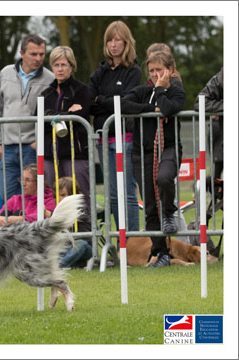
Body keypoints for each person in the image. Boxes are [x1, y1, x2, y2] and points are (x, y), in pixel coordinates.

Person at [121, 51, 186, 267]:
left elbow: (168, 108)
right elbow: (124, 105)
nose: (155, 74)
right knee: (149, 204)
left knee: (165, 178)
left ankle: (169, 212)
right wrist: (151, 109)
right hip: (142, 152)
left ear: (169, 70)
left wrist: (160, 90)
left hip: (168, 149)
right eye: (152, 71)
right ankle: (161, 253)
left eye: (159, 70)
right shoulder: (141, 91)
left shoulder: (175, 90)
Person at [88, 20, 141, 232]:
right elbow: (90, 103)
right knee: (111, 193)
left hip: (125, 138)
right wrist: (107, 102)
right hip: (103, 138)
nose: (113, 44)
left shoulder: (133, 71)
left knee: (126, 191)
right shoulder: (99, 72)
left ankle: (134, 242)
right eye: (109, 40)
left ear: (126, 42)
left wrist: (101, 100)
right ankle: (121, 243)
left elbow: (127, 102)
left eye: (117, 39)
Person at [0, 34, 54, 202]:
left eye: (42, 54)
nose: (38, 58)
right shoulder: (5, 73)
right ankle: (12, 229)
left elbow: (52, 115)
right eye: (33, 54)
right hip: (8, 148)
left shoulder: (50, 79)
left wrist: (39, 142)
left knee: (33, 198)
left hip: (32, 149)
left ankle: (31, 229)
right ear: (22, 53)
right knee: (7, 197)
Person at [39, 45, 91, 205]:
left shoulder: (82, 90)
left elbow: (80, 117)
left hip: (76, 153)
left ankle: (86, 227)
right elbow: (39, 119)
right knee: (55, 196)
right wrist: (67, 114)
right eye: (56, 65)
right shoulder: (46, 93)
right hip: (50, 154)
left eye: (64, 65)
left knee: (80, 195)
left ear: (72, 66)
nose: (60, 69)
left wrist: (53, 117)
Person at [0, 163, 55, 227]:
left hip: (36, 234)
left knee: (18, 213)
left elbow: (45, 217)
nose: (23, 184)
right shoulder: (15, 199)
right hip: (13, 233)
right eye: (22, 179)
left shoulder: (50, 199)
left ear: (39, 182)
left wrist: (22, 219)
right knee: (5, 213)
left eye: (28, 180)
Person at [56, 177, 93, 269]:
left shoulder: (80, 209)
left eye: (63, 195)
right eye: (56, 195)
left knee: (80, 244)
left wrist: (52, 215)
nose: (59, 198)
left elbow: (70, 220)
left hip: (83, 247)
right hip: (64, 247)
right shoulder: (57, 210)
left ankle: (57, 266)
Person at [194, 67, 223, 179]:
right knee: (216, 171)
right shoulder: (219, 79)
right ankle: (214, 195)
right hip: (220, 145)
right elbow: (200, 102)